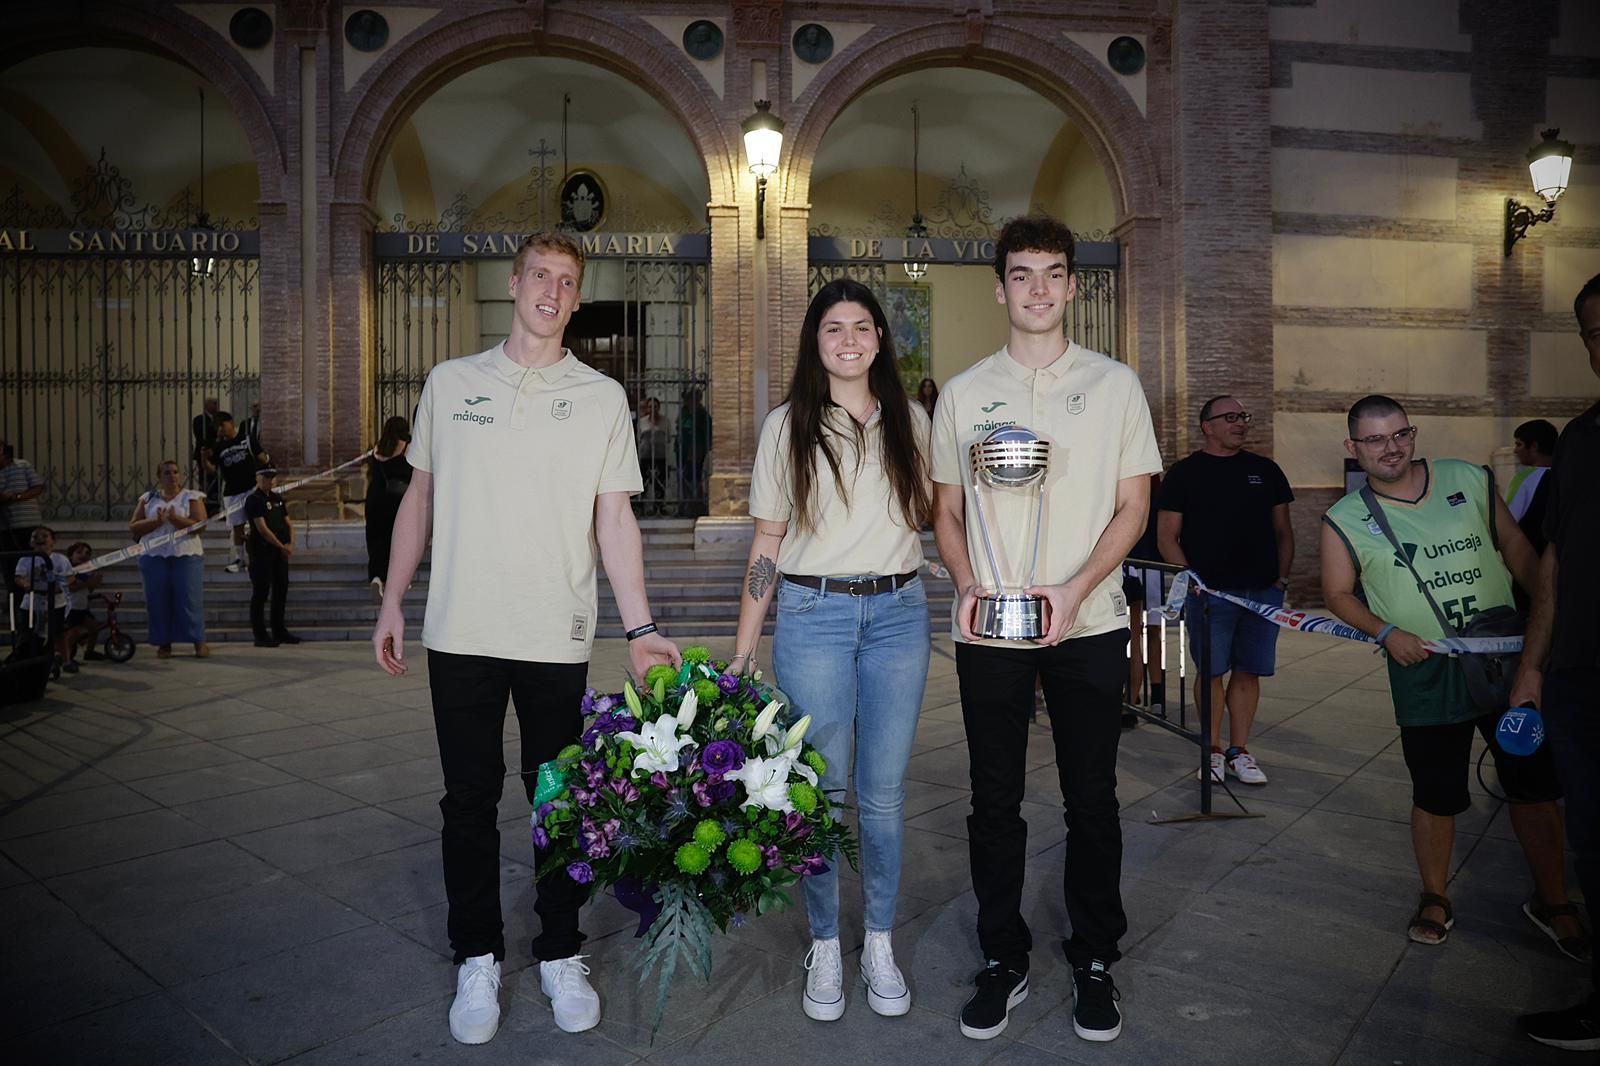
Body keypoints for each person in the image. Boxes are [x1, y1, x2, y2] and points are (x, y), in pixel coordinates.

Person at [370, 231, 680, 1046]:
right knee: (467, 802)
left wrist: (640, 626)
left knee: (558, 802)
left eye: (566, 280)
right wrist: (393, 597)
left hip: (557, 634)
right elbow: (419, 500)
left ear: (577, 300)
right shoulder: (452, 383)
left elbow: (615, 519)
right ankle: (477, 954)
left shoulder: (601, 399)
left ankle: (558, 950)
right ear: (514, 284)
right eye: (540, 274)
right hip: (462, 631)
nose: (551, 289)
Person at [931, 215, 1160, 1044]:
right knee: (993, 800)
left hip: (1089, 623)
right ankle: (1003, 956)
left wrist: (1075, 588)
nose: (1036, 288)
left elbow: (1135, 505)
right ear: (1000, 288)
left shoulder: (1114, 385)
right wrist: (965, 585)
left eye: (1051, 273)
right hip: (989, 630)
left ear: (1071, 286)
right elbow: (947, 509)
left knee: (1092, 799)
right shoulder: (962, 393)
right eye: (1020, 274)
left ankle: (1094, 956)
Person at [730, 279, 933, 1023]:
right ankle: (824, 941)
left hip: (899, 616)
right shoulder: (788, 426)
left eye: (861, 327)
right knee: (824, 792)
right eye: (832, 329)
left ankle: (877, 939)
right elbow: (767, 543)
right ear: (816, 343)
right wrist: (745, 647)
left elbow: (943, 515)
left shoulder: (912, 420)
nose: (848, 339)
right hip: (813, 615)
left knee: (881, 795)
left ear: (881, 338)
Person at [1321, 395, 1584, 959]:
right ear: (1353, 448)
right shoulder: (1345, 517)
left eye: (1399, 435)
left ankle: (1553, 900)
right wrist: (1385, 631)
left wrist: (1549, 613)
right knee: (1436, 792)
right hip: (1426, 672)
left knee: (1533, 783)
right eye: (1374, 440)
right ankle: (1436, 896)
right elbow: (1337, 593)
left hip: (1506, 660)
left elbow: (1514, 545)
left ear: (1412, 435)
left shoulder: (1467, 477)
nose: (1390, 448)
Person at [1510, 272, 1600, 1052]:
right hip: (1578, 674)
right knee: (1595, 838)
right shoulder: (1582, 440)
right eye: (1598, 330)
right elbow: (1555, 564)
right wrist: (1534, 668)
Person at [1156, 396, 1294, 785]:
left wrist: (1281, 578)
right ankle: (1212, 750)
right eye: (1230, 417)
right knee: (1212, 670)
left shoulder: (1265, 471)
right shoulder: (1184, 474)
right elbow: (1167, 536)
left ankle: (1239, 751)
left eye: (1243, 416)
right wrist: (1191, 580)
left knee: (1249, 670)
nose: (1240, 423)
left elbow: (1283, 531)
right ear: (1208, 426)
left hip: (1263, 594)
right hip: (1208, 595)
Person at [128, 460, 209, 659]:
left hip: (185, 555)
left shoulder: (191, 496)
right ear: (159, 477)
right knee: (157, 600)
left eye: (175, 472)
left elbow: (200, 525)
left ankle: (198, 641)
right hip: (153, 555)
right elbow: (134, 526)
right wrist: (155, 521)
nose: (171, 476)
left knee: (189, 599)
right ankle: (164, 643)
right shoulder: (148, 498)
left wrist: (174, 519)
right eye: (166, 473)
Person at [1122, 471, 1166, 722]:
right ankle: (1143, 697)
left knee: (1139, 634)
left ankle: (1139, 699)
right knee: (1142, 633)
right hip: (1145, 561)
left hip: (1140, 562)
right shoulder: (1153, 483)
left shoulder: (1146, 481)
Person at [244, 467, 300, 648]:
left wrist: (290, 543)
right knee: (261, 592)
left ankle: (279, 630)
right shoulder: (254, 500)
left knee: (281, 590)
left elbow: (288, 523)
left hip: (280, 552)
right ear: (258, 478)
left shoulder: (277, 499)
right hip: (262, 551)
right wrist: (280, 545)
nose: (270, 481)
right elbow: (262, 529)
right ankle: (260, 635)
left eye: (272, 477)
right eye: (266, 477)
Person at [212, 412, 271, 574]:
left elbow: (263, 458)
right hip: (232, 492)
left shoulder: (246, 439)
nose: (220, 429)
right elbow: (212, 469)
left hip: (251, 488)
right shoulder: (218, 447)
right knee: (237, 527)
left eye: (222, 425)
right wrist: (204, 459)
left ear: (231, 423)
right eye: (218, 427)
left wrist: (265, 471)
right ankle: (239, 559)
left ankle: (260, 558)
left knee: (258, 523)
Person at [13, 525, 73, 676]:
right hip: (32, 601)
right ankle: (33, 659)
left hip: (56, 601)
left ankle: (66, 660)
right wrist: (24, 583)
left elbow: (70, 576)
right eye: (35, 537)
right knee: (30, 631)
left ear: (53, 542)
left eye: (45, 536)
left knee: (59, 632)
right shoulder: (25, 559)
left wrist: (61, 585)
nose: (40, 539)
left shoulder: (60, 559)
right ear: (30, 542)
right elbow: (19, 576)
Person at [365, 416, 412, 599]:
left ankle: (376, 577)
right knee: (397, 539)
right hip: (397, 500)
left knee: (376, 538)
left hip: (375, 498)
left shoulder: (378, 448)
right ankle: (399, 579)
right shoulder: (407, 447)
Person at [1, 438, 47, 614]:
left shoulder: (22, 465)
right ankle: (17, 606)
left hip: (28, 524)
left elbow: (38, 487)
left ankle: (34, 604)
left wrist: (16, 497)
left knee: (32, 565)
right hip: (5, 528)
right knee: (11, 569)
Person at [1507, 418, 1557, 552]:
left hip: (1530, 559)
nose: (1515, 451)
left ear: (1534, 446)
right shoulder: (1569, 475)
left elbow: (1507, 521)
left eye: (1519, 444)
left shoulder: (1526, 478)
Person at [61, 541, 104, 671]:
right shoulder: (70, 571)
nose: (83, 555)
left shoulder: (87, 571)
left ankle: (89, 652)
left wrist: (94, 583)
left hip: (82, 607)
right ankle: (65, 659)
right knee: (71, 635)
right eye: (79, 552)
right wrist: (88, 583)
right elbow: (69, 588)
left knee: (94, 627)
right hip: (71, 608)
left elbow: (88, 590)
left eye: (87, 553)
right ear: (71, 556)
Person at [676, 389, 712, 513]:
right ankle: (685, 504)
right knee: (683, 477)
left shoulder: (702, 415)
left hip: (696, 452)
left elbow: (707, 434)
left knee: (693, 478)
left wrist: (701, 450)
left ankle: (695, 505)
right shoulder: (684, 413)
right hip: (682, 451)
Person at [636, 396, 669, 515]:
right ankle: (643, 508)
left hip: (660, 455)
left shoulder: (665, 421)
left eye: (655, 406)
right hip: (646, 455)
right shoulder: (642, 422)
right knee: (644, 482)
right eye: (650, 407)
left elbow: (668, 437)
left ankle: (659, 507)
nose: (653, 409)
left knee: (660, 483)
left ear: (659, 407)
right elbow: (638, 438)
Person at [192, 396, 221, 504]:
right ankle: (204, 502)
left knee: (217, 479)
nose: (216, 405)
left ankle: (215, 502)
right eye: (213, 403)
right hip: (204, 454)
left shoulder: (219, 419)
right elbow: (201, 436)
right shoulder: (199, 419)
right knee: (204, 479)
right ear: (206, 406)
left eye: (216, 403)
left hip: (217, 454)